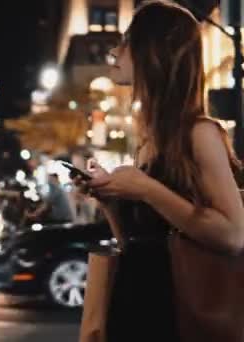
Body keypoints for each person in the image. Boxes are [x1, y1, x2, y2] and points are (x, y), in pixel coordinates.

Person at [75, 2, 244, 341]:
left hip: (176, 316)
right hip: (137, 306)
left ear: (153, 52)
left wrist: (145, 189)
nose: (114, 50)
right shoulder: (150, 142)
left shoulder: (199, 133)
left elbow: (233, 235)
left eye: (126, 40)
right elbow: (139, 244)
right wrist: (109, 199)